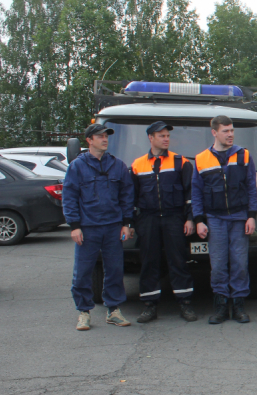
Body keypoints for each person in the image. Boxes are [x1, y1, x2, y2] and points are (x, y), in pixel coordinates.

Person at [63, 123, 135, 331]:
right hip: (88, 228)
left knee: (114, 269)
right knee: (83, 271)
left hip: (113, 227)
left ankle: (113, 310)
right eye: (100, 136)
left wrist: (126, 224)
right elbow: (69, 197)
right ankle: (84, 312)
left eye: (106, 136)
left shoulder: (118, 165)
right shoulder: (77, 166)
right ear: (89, 140)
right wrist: (74, 226)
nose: (104, 139)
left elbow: (126, 196)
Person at [192, 115, 257, 325]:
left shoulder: (243, 155)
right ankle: (220, 307)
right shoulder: (201, 159)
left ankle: (238, 306)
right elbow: (196, 192)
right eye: (225, 131)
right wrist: (199, 220)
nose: (230, 134)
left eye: (232, 130)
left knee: (240, 263)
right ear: (214, 133)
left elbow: (250, 187)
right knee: (218, 265)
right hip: (215, 219)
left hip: (239, 218)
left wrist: (251, 216)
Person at [130, 121, 195, 323]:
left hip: (174, 218)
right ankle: (149, 306)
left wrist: (190, 218)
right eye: (161, 136)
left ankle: (185, 304)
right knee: (149, 262)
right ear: (151, 138)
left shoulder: (181, 162)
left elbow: (190, 194)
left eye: (167, 136)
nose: (166, 139)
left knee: (178, 261)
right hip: (148, 220)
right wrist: (132, 223)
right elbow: (131, 198)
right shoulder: (137, 165)